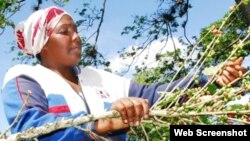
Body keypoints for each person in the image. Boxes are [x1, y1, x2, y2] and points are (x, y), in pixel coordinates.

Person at [0, 6, 246, 141]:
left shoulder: (98, 77)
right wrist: (103, 122)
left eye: (76, 30)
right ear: (43, 43)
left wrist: (207, 80)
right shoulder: (24, 76)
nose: (76, 36)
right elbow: (29, 129)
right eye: (65, 32)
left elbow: (155, 95)